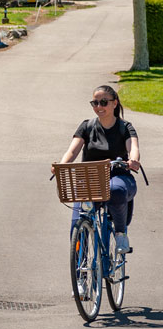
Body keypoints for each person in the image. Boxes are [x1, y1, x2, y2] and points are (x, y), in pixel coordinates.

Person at [55, 85, 142, 253]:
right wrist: (62, 165)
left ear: (114, 103)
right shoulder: (87, 126)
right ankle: (80, 263)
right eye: (95, 103)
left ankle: (120, 234)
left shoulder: (125, 127)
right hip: (90, 178)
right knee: (77, 223)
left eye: (103, 102)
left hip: (118, 176)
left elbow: (133, 147)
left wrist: (133, 160)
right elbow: (72, 151)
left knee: (115, 190)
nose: (99, 107)